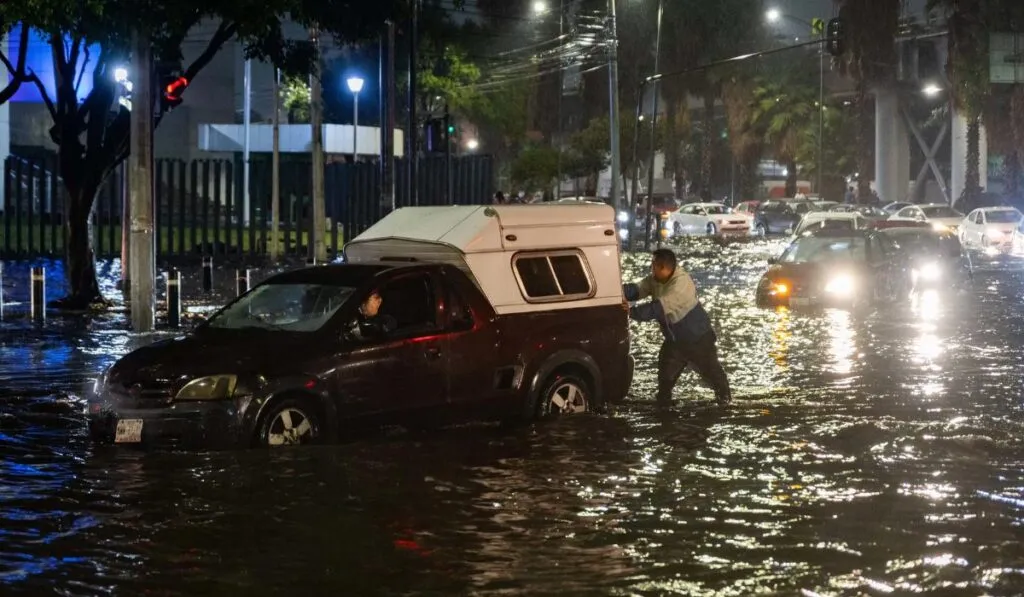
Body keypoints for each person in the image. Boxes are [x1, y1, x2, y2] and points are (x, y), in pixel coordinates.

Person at [623, 249, 731, 405]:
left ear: (663, 267)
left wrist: (628, 312)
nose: (650, 269)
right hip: (675, 341)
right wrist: (615, 292)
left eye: (652, 266)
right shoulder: (656, 279)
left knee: (714, 376)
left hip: (699, 340)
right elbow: (638, 289)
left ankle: (726, 405)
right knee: (665, 380)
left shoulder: (681, 284)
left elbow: (656, 309)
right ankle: (665, 411)